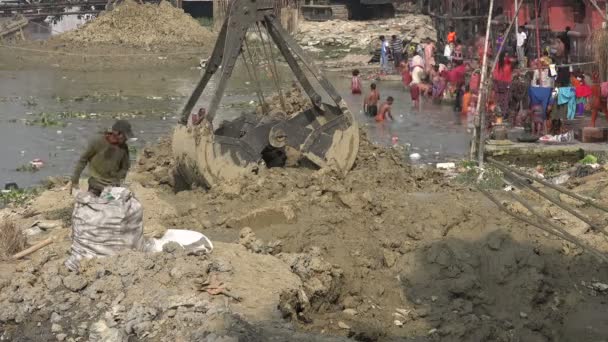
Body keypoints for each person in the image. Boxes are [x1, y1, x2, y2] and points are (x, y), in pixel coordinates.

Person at [71, 120, 134, 196]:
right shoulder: (98, 141)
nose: (126, 139)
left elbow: (125, 167)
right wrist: (75, 181)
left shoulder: (123, 148)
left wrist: (118, 178)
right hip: (96, 183)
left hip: (112, 184)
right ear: (117, 133)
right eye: (125, 136)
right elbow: (83, 160)